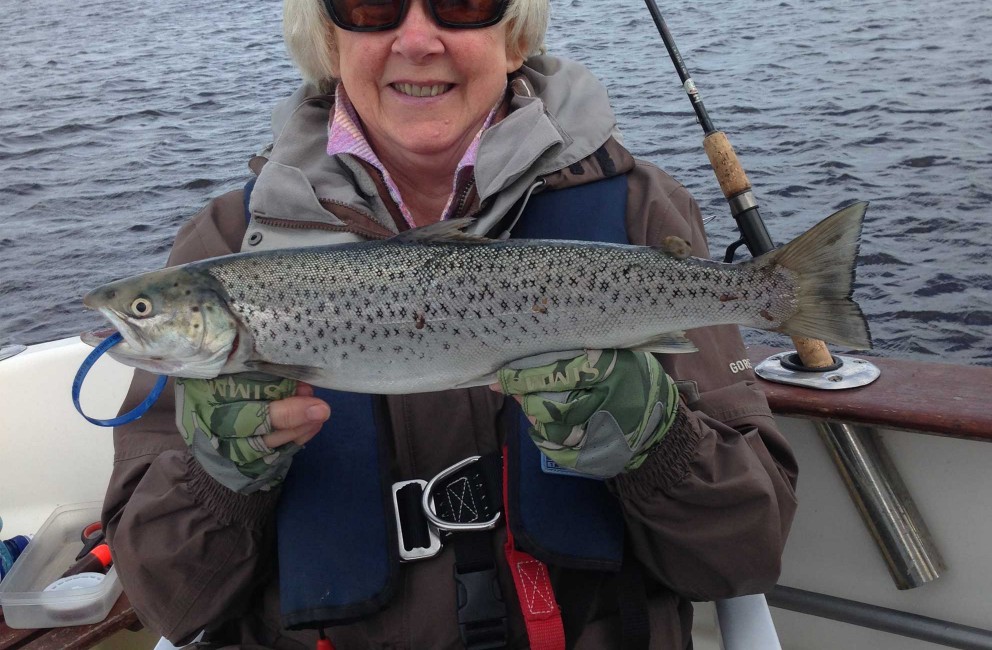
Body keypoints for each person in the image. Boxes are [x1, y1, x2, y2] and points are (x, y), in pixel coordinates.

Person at [101, 0, 798, 648]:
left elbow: (745, 555)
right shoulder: (223, 243)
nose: (416, 39)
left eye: (462, 2)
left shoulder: (639, 210)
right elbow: (174, 604)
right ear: (328, 37)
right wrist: (222, 479)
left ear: (515, 32)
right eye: (371, 5)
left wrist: (659, 440)